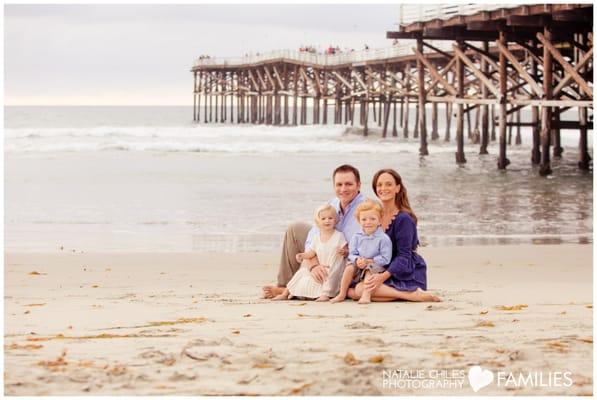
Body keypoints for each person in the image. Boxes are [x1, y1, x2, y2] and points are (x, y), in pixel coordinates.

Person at [262, 164, 366, 299]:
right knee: (295, 229)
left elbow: (365, 247)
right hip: (323, 251)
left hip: (344, 262)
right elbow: (313, 237)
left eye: (348, 184)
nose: (343, 189)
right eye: (339, 184)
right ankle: (285, 286)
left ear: (358, 185)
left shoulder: (366, 209)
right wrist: (313, 264)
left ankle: (317, 289)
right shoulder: (332, 204)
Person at [347, 169, 441, 302]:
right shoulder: (375, 215)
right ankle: (404, 295)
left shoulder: (404, 219)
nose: (383, 188)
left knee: (359, 291)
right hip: (381, 267)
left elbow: (404, 256)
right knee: (353, 291)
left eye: (388, 184)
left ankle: (411, 295)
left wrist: (382, 277)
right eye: (379, 185)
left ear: (397, 188)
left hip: (405, 271)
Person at [272, 204, 347, 301]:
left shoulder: (339, 236)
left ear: (335, 220)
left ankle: (325, 294)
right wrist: (303, 255)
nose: (327, 221)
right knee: (301, 272)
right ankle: (285, 293)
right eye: (323, 219)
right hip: (320, 265)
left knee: (330, 276)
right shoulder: (317, 237)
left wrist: (344, 252)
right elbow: (312, 252)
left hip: (332, 267)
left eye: (330, 218)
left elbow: (346, 250)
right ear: (318, 222)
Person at [331, 200, 392, 304]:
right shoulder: (357, 236)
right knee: (349, 267)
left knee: (369, 270)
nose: (368, 222)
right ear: (359, 221)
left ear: (380, 220)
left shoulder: (383, 239)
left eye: (372, 219)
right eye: (364, 219)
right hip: (359, 264)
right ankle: (342, 293)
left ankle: (366, 295)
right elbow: (352, 253)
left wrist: (369, 261)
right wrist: (357, 260)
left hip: (375, 266)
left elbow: (386, 259)